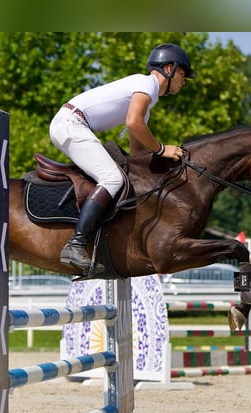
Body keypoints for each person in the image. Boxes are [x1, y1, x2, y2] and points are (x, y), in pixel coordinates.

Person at [49, 43, 195, 275]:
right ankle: (76, 245)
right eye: (182, 74)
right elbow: (133, 123)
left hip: (73, 125)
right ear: (169, 68)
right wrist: (161, 149)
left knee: (121, 177)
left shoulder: (148, 97)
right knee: (111, 178)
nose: (184, 81)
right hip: (71, 125)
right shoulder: (146, 85)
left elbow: (137, 151)